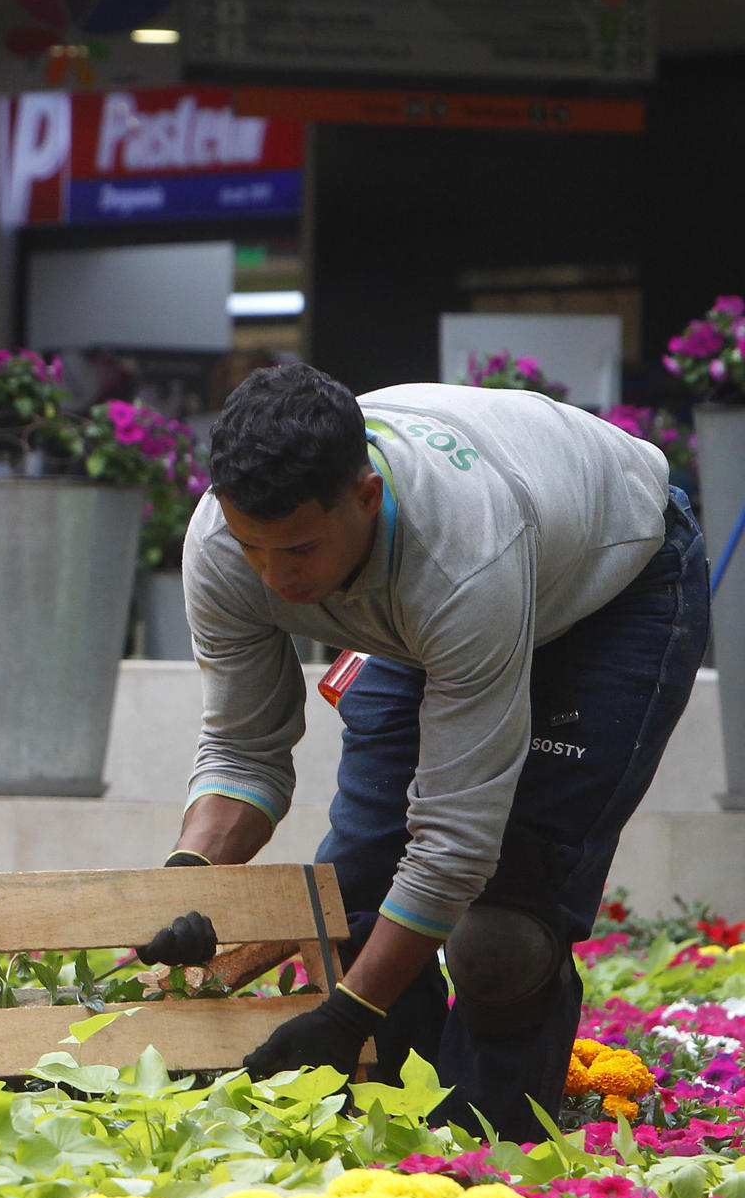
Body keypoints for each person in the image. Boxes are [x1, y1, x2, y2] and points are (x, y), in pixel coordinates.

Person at [136, 363, 710, 1141]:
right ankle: (395, 1143)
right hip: (425, 616)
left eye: (298, 548)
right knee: (355, 900)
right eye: (254, 548)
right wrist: (190, 880)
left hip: (611, 592)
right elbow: (243, 754)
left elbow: (453, 841)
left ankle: (494, 1157)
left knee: (500, 941)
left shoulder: (464, 557)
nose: (276, 577)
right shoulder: (220, 546)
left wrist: (347, 1012)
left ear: (365, 497)